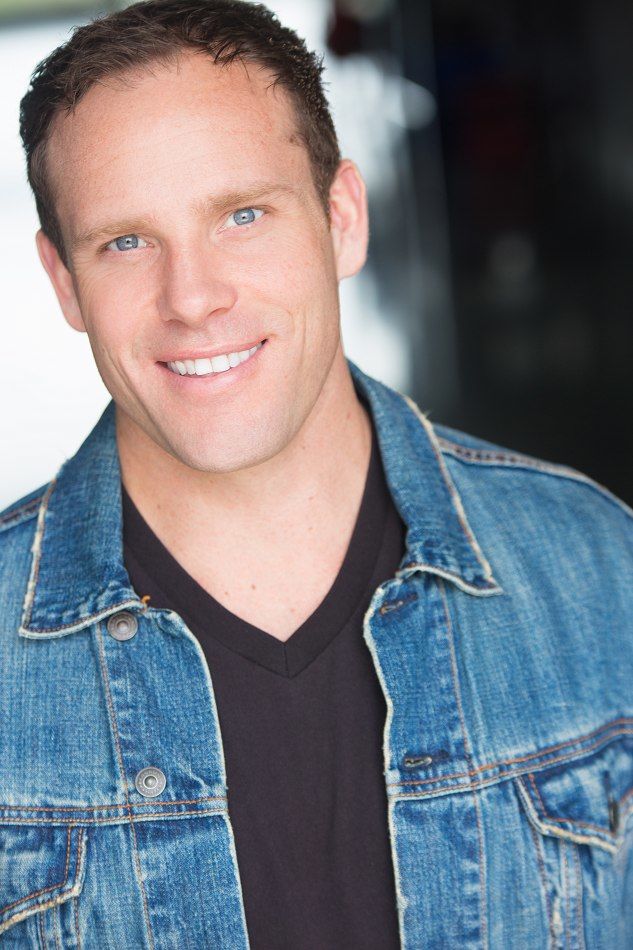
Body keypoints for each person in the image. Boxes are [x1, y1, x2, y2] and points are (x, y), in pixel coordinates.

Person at [1, 0, 631, 946]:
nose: (192, 298)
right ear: (64, 282)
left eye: (242, 215)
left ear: (341, 220)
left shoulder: (596, 570)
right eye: (126, 241)